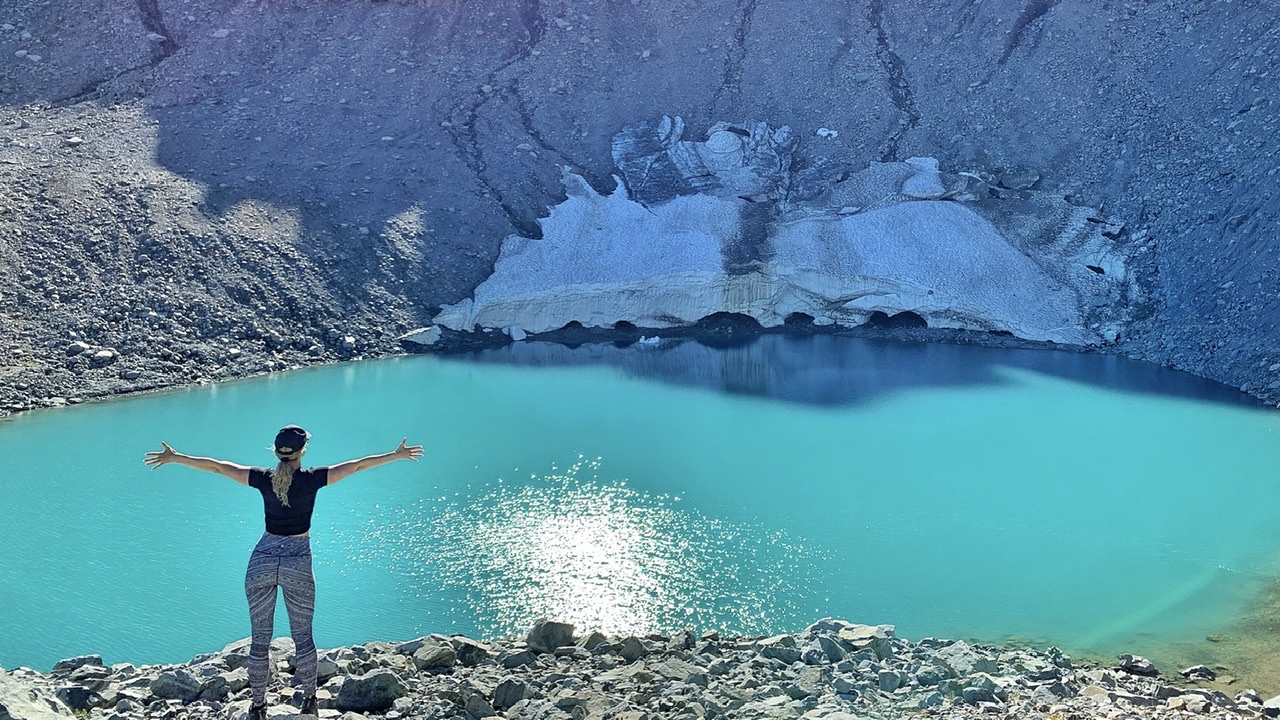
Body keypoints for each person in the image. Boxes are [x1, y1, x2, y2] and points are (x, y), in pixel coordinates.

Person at [144, 426, 423, 720]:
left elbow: (217, 467)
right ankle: (309, 701)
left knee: (259, 640)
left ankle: (258, 705)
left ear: (277, 452)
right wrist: (395, 455)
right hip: (297, 561)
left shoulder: (262, 478)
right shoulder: (312, 479)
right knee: (302, 637)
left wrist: (176, 458)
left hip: (262, 560)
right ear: (302, 451)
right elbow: (358, 465)